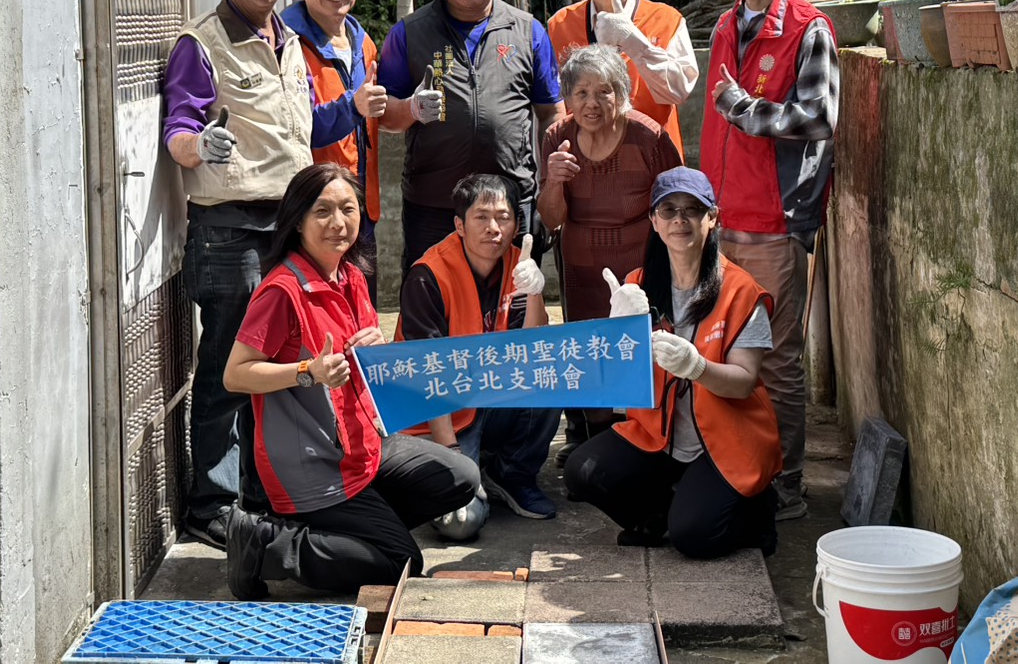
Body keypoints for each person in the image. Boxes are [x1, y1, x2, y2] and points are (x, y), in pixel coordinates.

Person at [221, 164, 480, 599]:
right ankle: (265, 543)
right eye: (322, 211)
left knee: (460, 476)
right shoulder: (282, 290)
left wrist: (376, 345)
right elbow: (235, 374)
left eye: (348, 209)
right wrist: (307, 371)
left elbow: (363, 366)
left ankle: (354, 530)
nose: (338, 223)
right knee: (400, 563)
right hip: (314, 465)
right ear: (297, 220)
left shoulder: (352, 275)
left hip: (364, 447)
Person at [162, 0, 315, 547]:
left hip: (287, 227)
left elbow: (298, 129)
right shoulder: (202, 43)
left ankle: (259, 493)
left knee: (278, 365)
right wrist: (199, 146)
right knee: (230, 366)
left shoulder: (290, 40)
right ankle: (212, 505)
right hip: (232, 231)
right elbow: (180, 126)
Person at [700, 0, 839, 522]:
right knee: (723, 347)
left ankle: (786, 484)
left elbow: (817, 118)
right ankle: (736, 467)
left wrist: (742, 108)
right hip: (723, 219)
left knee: (778, 358)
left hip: (776, 222)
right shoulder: (726, 26)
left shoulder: (809, 28)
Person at [564, 167, 782, 558]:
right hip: (658, 436)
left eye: (692, 209)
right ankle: (658, 515)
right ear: (654, 221)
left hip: (724, 442)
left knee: (696, 538)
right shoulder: (637, 286)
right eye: (668, 210)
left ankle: (755, 510)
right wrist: (614, 335)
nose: (680, 219)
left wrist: (697, 367)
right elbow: (615, 384)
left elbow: (744, 381)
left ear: (712, 218)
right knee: (582, 472)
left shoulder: (740, 291)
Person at [378, 0, 564, 270]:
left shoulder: (528, 31)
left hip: (510, 204)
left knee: (515, 296)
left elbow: (552, 113)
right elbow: (384, 114)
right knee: (432, 297)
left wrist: (547, 187)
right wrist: (410, 108)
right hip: (434, 206)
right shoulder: (408, 33)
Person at [537, 45, 680, 464]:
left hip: (642, 268)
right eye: (581, 93)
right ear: (568, 97)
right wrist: (554, 181)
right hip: (582, 270)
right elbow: (552, 219)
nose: (592, 103)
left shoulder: (648, 136)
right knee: (589, 352)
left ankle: (651, 440)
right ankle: (594, 440)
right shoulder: (557, 137)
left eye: (604, 92)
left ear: (622, 93)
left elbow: (676, 202)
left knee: (643, 352)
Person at [398, 174, 561, 521]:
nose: (493, 228)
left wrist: (535, 292)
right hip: (439, 414)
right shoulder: (428, 275)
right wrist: (451, 454)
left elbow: (534, 349)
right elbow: (428, 373)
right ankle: (459, 466)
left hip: (488, 394)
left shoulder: (519, 264)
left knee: (551, 372)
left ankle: (512, 474)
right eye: (481, 217)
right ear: (460, 225)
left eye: (503, 217)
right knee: (463, 523)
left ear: (515, 226)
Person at [281, 0, 388, 303]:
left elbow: (374, 116)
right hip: (312, 212)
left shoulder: (363, 42)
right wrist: (352, 106)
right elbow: (296, 128)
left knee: (362, 311)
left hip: (360, 209)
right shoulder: (284, 44)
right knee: (317, 314)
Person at [546, 0, 699, 157]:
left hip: (656, 162)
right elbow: (553, 105)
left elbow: (679, 90)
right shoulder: (560, 24)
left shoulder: (667, 20)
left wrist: (632, 40)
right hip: (586, 164)